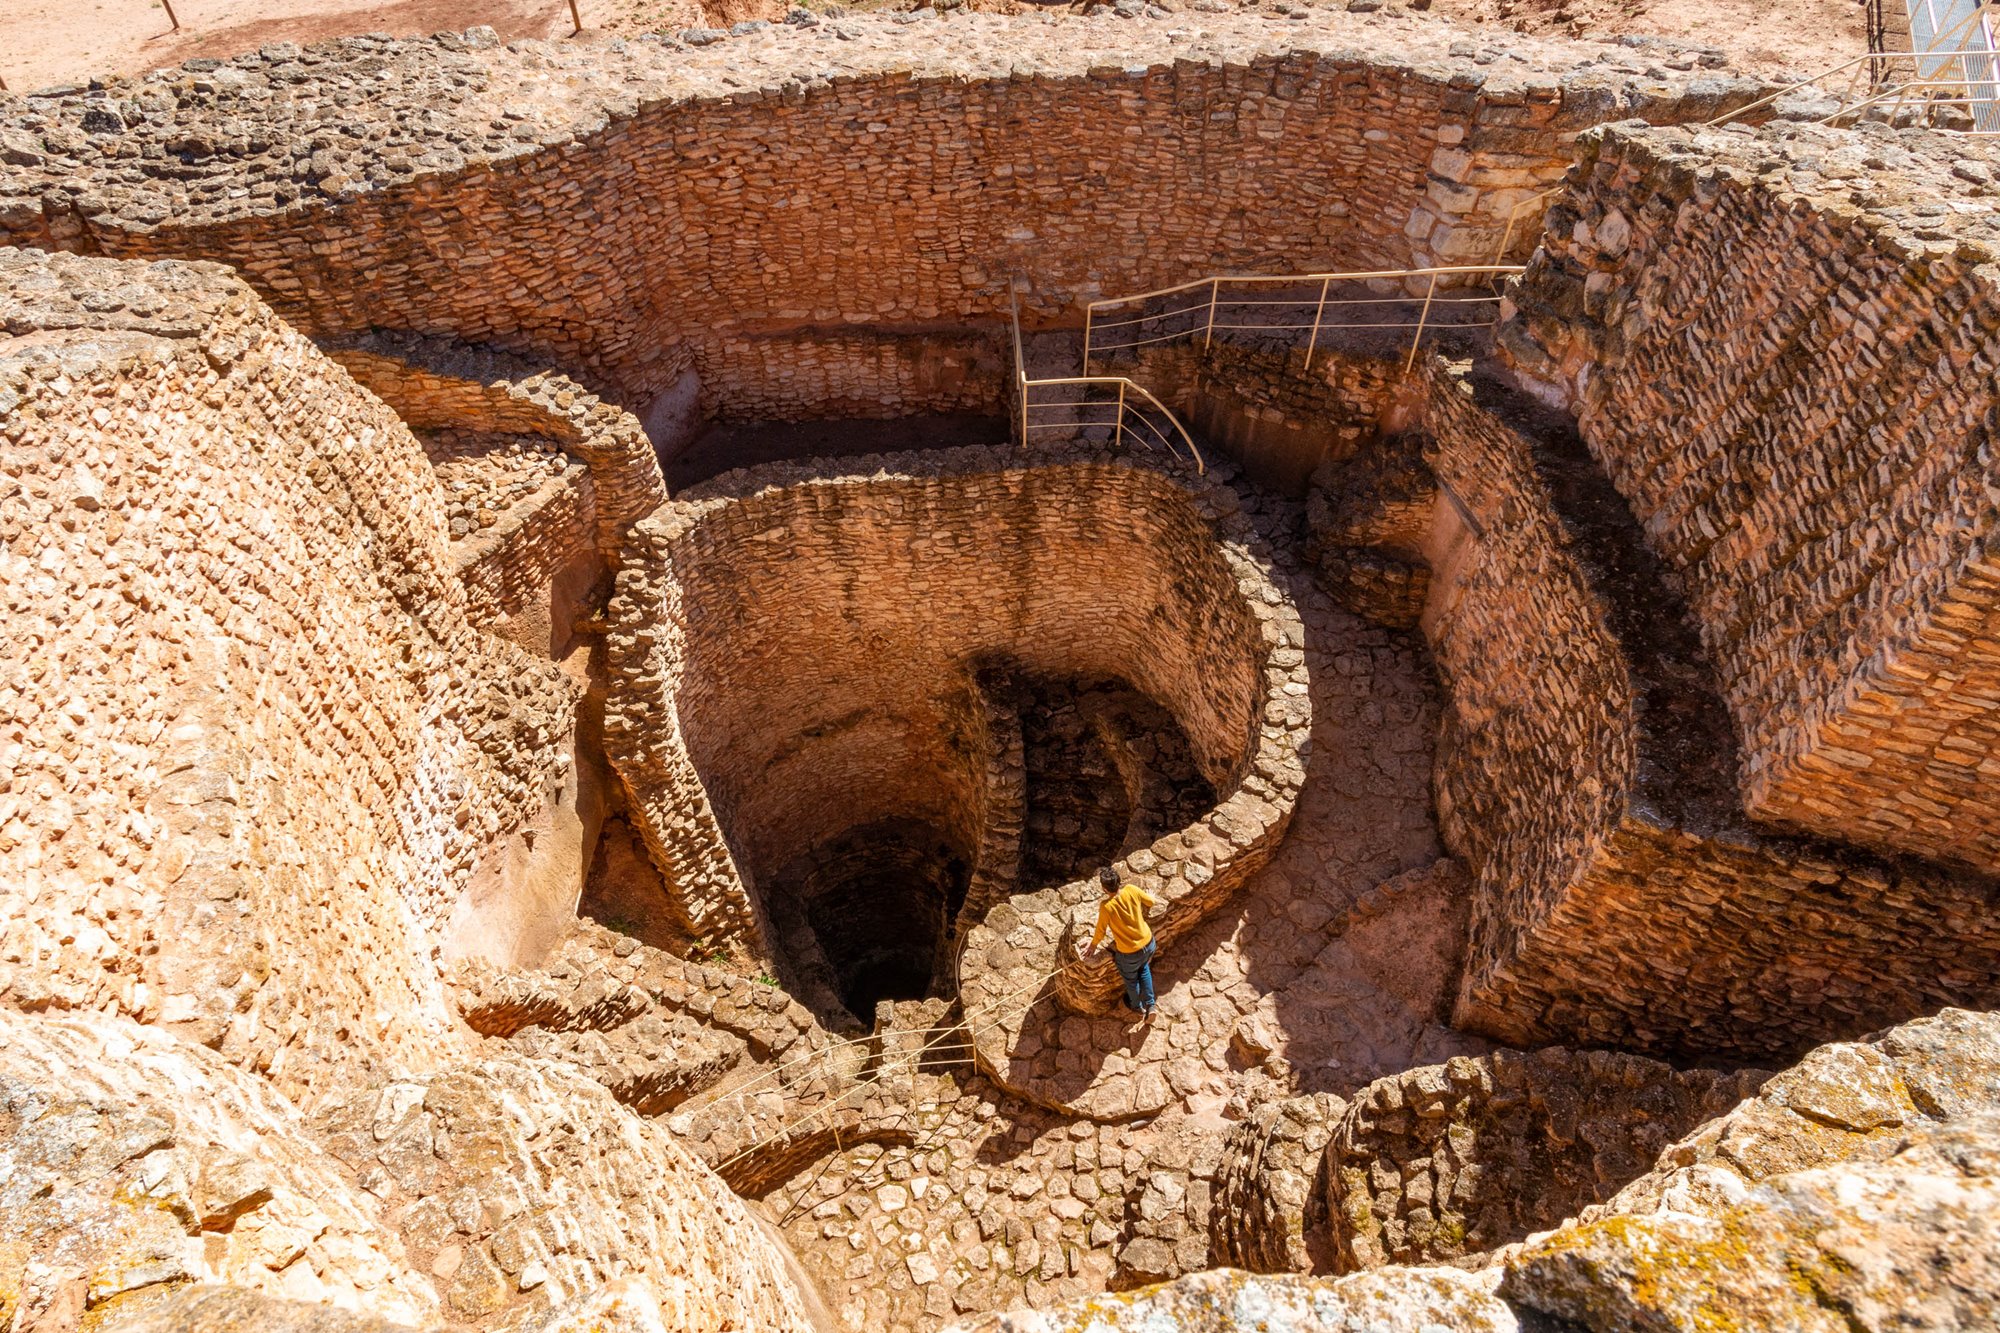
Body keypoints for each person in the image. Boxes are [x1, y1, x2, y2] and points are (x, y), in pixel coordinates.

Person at [1083, 866, 1158, 1021]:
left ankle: (1136, 1006)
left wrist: (1093, 945)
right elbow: (1150, 902)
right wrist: (1151, 896)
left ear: (1104, 889)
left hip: (1129, 953)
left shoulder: (1106, 906)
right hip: (1148, 942)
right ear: (1119, 881)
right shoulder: (1131, 889)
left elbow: (1100, 930)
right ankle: (1151, 1005)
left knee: (1131, 980)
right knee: (1144, 969)